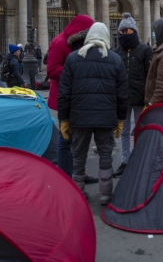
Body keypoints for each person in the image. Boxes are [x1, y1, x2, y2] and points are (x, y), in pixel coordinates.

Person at [58, 23, 128, 205]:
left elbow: (64, 92)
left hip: (79, 118)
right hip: (106, 117)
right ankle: (105, 193)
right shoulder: (115, 59)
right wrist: (121, 118)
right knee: (105, 153)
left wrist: (63, 119)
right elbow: (122, 93)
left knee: (78, 154)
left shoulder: (73, 58)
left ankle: (79, 191)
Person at [47, 14, 96, 180]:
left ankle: (78, 173)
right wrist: (76, 72)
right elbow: (52, 70)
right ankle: (66, 176)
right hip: (65, 97)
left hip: (79, 97)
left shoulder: (79, 42)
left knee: (79, 138)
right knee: (66, 138)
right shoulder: (59, 43)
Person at [110, 13, 153, 178]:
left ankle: (140, 158)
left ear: (134, 31)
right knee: (124, 130)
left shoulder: (144, 50)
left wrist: (149, 96)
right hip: (122, 97)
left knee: (141, 128)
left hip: (140, 96)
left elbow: (150, 75)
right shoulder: (115, 52)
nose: (123, 34)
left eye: (127, 31)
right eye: (121, 31)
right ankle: (126, 160)